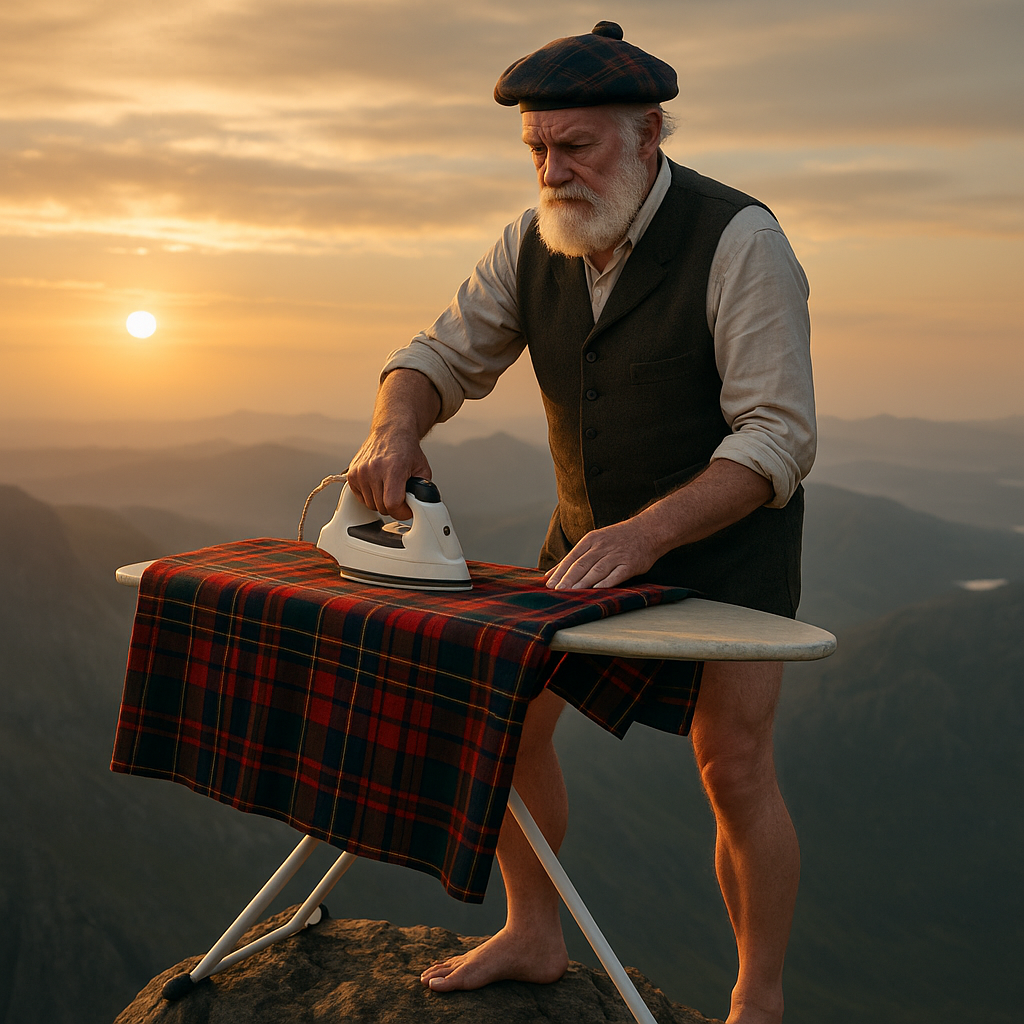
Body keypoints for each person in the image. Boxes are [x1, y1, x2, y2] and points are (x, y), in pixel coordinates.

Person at [346, 21, 815, 1024]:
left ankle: (758, 1001)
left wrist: (647, 534)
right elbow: (437, 354)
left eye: (576, 147)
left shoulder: (743, 241)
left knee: (731, 767)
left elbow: (777, 436)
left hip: (730, 545)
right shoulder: (531, 239)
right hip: (584, 537)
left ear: (647, 134)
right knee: (507, 723)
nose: (552, 170)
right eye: (537, 149)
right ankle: (534, 932)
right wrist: (393, 426)